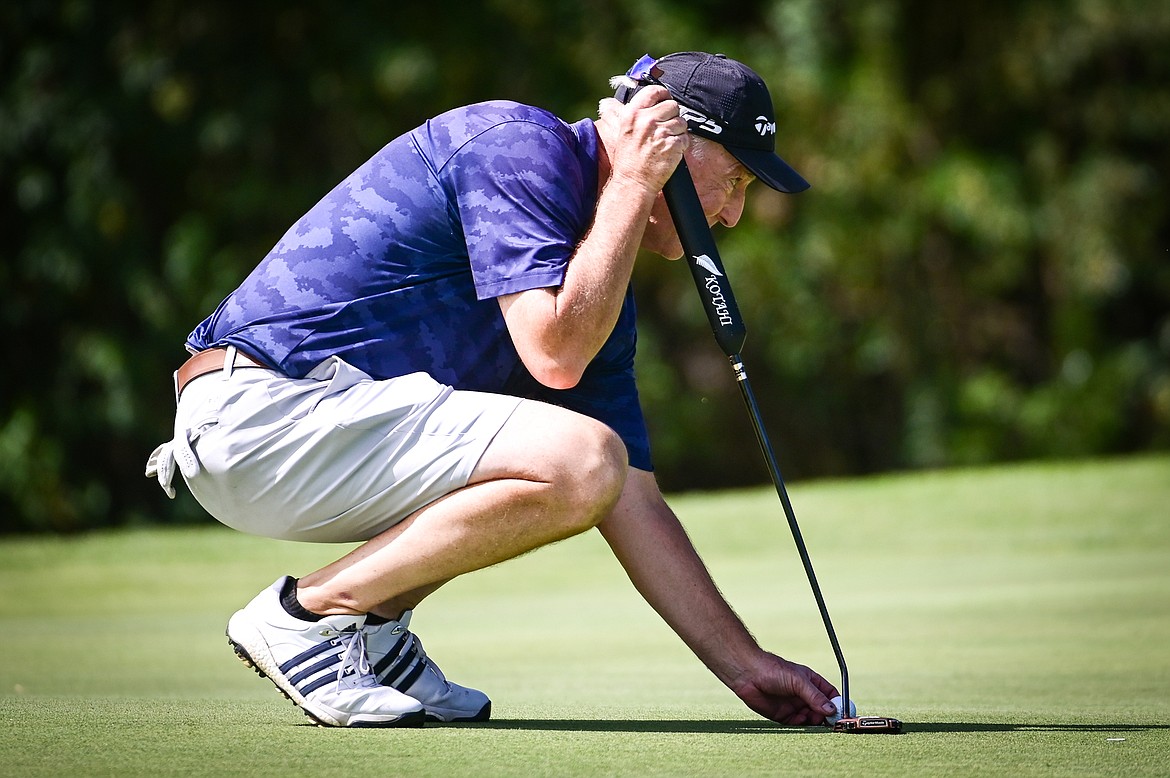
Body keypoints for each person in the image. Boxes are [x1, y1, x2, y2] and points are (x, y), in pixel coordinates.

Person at [147, 51, 841, 729]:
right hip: (259, 415)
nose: (731, 216)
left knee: (590, 465)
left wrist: (744, 665)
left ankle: (373, 629)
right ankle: (311, 616)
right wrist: (634, 183)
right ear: (667, 136)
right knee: (578, 456)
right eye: (737, 181)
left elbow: (626, 491)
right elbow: (556, 356)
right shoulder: (520, 146)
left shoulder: (597, 282)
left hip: (311, 433)